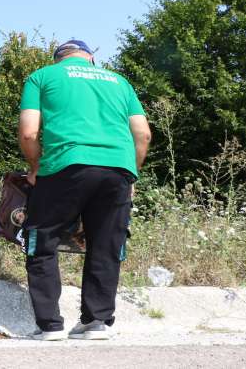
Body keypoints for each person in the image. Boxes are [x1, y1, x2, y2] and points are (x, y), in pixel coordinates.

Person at [18, 39, 151, 341]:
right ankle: (96, 323)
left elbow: (28, 131)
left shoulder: (42, 76)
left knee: (41, 237)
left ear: (59, 59)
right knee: (106, 244)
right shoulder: (119, 81)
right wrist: (131, 175)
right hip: (118, 167)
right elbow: (142, 134)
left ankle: (49, 326)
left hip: (66, 163)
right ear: (91, 58)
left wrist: (35, 165)